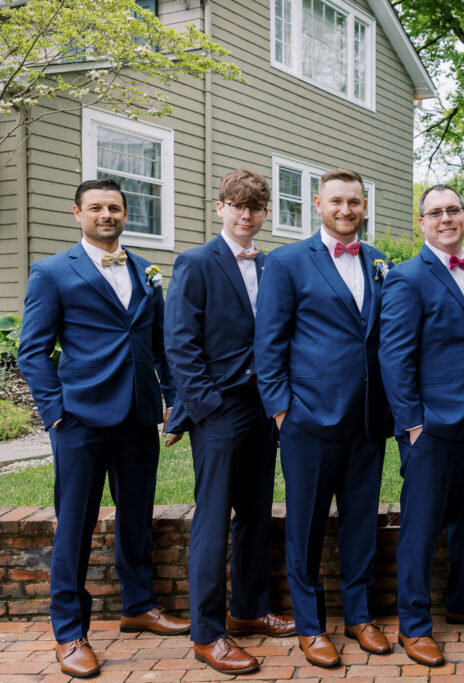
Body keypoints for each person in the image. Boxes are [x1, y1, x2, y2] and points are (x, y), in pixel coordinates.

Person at [18, 178, 190, 678]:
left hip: (138, 416)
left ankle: (139, 605)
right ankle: (70, 633)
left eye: (114, 207)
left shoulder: (145, 270)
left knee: (136, 519)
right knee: (75, 526)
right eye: (96, 208)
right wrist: (56, 413)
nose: (106, 215)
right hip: (80, 419)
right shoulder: (52, 272)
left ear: (126, 213)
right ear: (78, 214)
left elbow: (161, 347)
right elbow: (32, 351)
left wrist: (172, 402)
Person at [254, 168, 393, 668]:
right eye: (337, 201)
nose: (346, 210)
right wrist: (281, 411)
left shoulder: (380, 262)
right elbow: (268, 343)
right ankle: (311, 625)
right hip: (308, 422)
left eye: (355, 202)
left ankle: (359, 616)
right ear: (318, 203)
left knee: (361, 525)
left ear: (364, 205)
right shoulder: (287, 262)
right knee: (306, 526)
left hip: (368, 421)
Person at [164, 170, 295, 675]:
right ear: (220, 207)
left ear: (265, 214)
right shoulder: (196, 262)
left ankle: (251, 609)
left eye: (256, 208)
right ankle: (207, 633)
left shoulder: (272, 264)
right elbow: (180, 342)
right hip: (218, 409)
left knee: (257, 516)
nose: (246, 215)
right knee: (214, 521)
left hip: (265, 408)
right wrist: (205, 406)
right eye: (238, 206)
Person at [379, 184, 464, 667]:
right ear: (422, 223)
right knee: (420, 527)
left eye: (452, 210)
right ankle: (414, 625)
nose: (444, 218)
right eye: (434, 212)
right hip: (430, 426)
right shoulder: (406, 278)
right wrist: (412, 422)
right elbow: (394, 358)